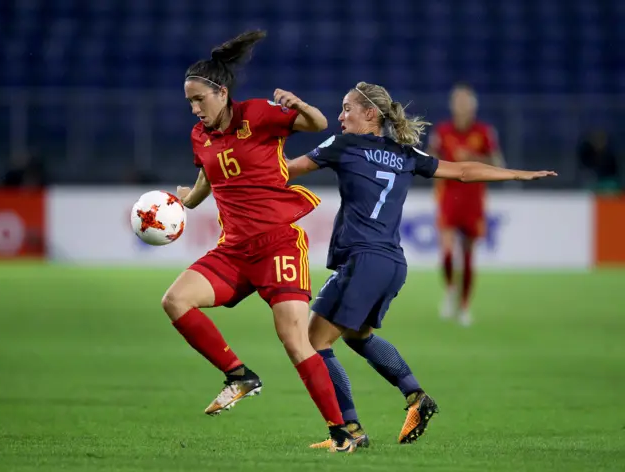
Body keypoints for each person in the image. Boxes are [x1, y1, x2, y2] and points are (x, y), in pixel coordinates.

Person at [286, 81, 557, 447]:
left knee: (314, 340)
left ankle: (350, 432)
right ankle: (416, 396)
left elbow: (287, 170)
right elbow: (463, 171)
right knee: (357, 334)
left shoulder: (342, 144)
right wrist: (517, 174)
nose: (340, 115)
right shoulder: (404, 152)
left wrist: (232, 171)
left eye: (347, 108)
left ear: (369, 114)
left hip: (364, 259)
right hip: (392, 263)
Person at [163, 30, 357, 453]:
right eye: (189, 102)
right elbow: (207, 174)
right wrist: (190, 201)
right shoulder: (201, 136)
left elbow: (318, 124)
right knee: (175, 301)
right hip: (233, 251)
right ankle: (239, 376)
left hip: (278, 246)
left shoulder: (259, 115)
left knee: (293, 338)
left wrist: (298, 105)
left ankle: (341, 433)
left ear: (222, 92)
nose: (195, 110)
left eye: (200, 100)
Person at [427, 83, 506, 326]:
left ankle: (464, 306)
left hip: (473, 199)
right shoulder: (442, 131)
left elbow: (498, 163)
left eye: (466, 102)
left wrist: (473, 158)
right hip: (450, 198)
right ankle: (451, 289)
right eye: (458, 102)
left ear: (473, 106)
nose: (462, 106)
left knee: (469, 255)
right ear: (452, 105)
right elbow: (428, 161)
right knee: (448, 252)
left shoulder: (484, 132)